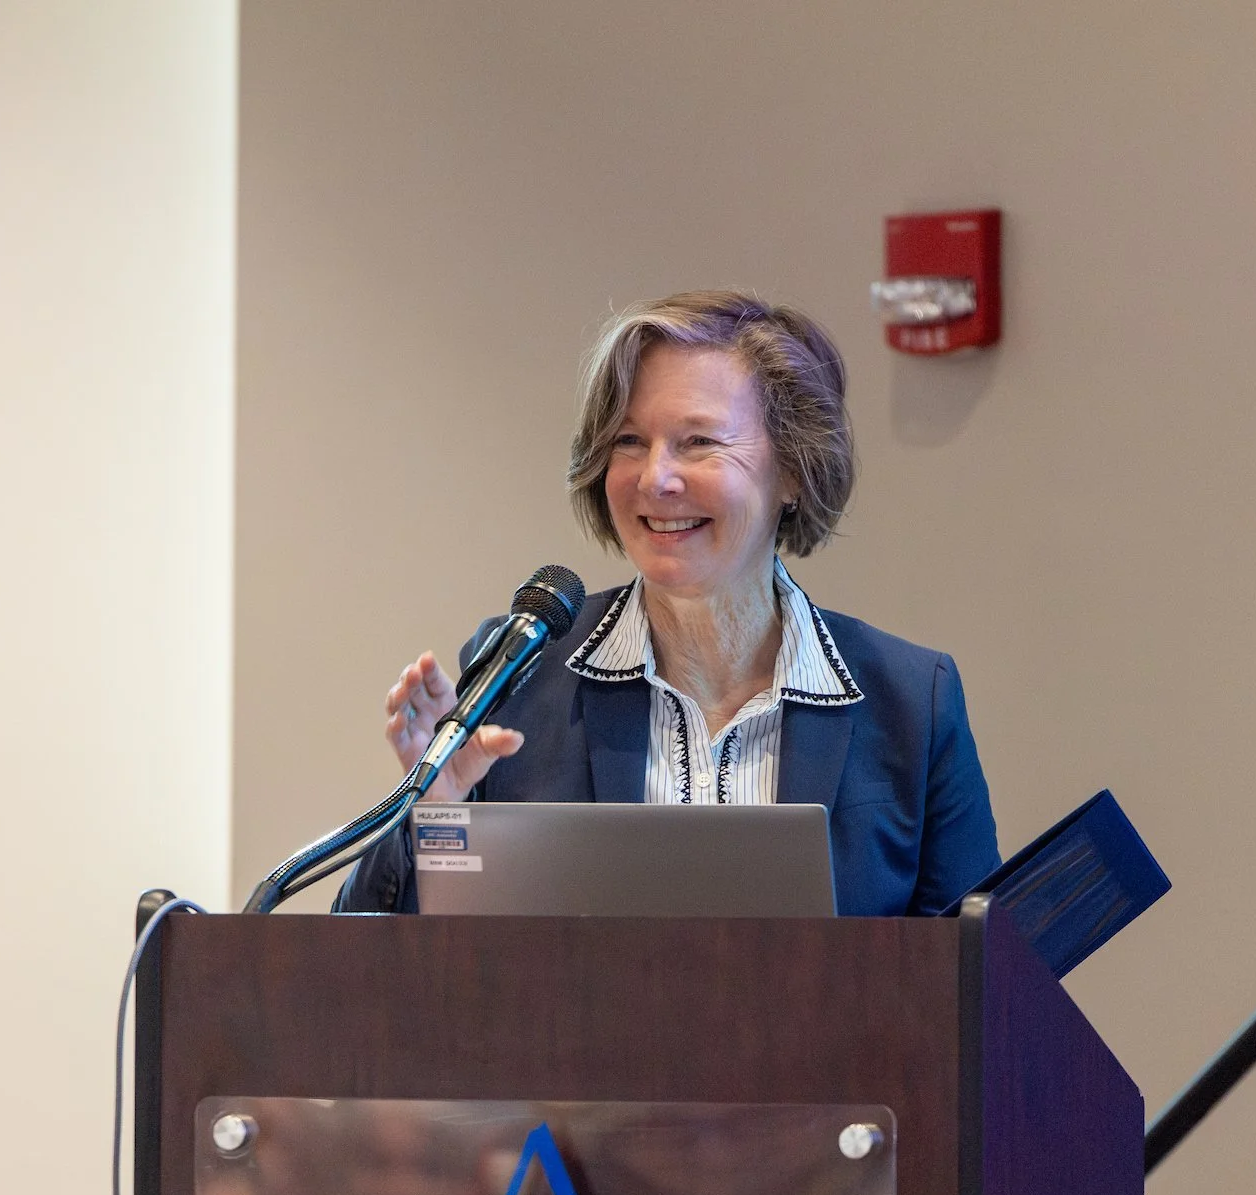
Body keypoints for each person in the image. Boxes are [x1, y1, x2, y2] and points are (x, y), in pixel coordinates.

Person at [336, 290, 997, 917]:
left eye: (698, 442)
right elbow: (372, 954)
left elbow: (985, 973)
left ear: (794, 471)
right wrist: (430, 815)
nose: (655, 478)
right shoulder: (520, 675)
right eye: (629, 441)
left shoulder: (911, 702)